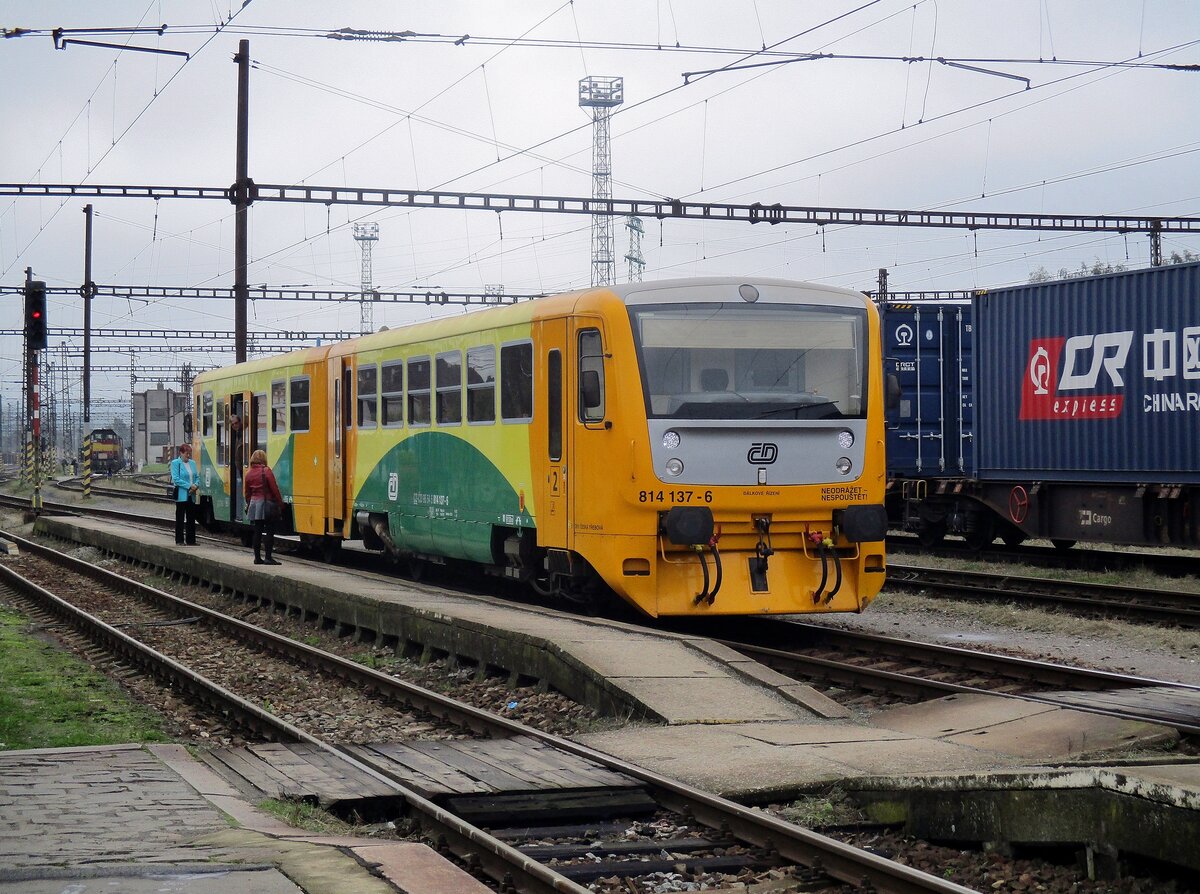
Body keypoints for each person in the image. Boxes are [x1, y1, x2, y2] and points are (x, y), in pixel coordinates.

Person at [243, 449, 284, 565]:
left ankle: (257, 558)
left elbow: (247, 492)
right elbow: (274, 489)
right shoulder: (266, 471)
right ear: (263, 459)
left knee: (258, 530)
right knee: (269, 531)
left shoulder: (249, 473)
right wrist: (280, 504)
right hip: (267, 504)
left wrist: (249, 502)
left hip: (254, 504)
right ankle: (268, 557)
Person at [170, 443, 199, 546]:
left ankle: (191, 540)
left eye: (189, 453)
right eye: (187, 453)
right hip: (182, 495)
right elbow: (176, 479)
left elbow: (197, 477)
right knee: (180, 518)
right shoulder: (175, 463)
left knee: (191, 518)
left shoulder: (193, 463)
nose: (188, 456)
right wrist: (189, 486)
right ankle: (179, 540)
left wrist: (195, 485)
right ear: (181, 453)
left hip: (191, 494)